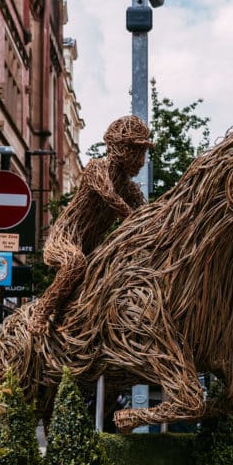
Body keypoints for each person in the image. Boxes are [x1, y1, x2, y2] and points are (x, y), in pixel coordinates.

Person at [29, 115, 154, 334]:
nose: (140, 160)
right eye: (134, 151)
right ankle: (42, 311)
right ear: (116, 147)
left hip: (90, 249)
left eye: (143, 153)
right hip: (65, 239)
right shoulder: (96, 169)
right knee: (74, 264)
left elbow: (146, 214)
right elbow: (110, 197)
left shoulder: (130, 188)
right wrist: (134, 219)